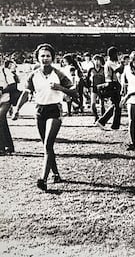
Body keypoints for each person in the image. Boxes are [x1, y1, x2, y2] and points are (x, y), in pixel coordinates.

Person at [11, 43, 78, 191]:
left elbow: (74, 92)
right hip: (40, 111)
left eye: (48, 56)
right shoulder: (33, 75)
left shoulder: (58, 73)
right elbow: (26, 93)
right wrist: (17, 110)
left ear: (52, 58)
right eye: (42, 56)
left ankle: (43, 179)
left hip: (54, 110)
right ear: (37, 58)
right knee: (47, 146)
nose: (45, 58)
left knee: (48, 144)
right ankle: (56, 173)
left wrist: (60, 88)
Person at [95, 46, 122, 130]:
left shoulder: (109, 62)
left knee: (116, 105)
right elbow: (119, 70)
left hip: (111, 83)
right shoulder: (110, 63)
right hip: (112, 84)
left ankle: (104, 122)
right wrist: (123, 64)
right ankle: (106, 122)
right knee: (117, 105)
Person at [0, 60, 18, 155]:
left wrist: (2, 91)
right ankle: (9, 146)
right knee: (2, 122)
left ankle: (2, 147)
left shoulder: (4, 71)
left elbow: (13, 85)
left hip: (5, 101)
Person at [88, 54, 106, 122]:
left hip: (102, 88)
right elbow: (87, 79)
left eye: (98, 60)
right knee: (93, 104)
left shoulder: (103, 69)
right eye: (95, 60)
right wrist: (88, 87)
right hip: (94, 88)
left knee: (102, 104)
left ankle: (103, 118)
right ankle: (96, 117)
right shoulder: (91, 69)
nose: (97, 62)